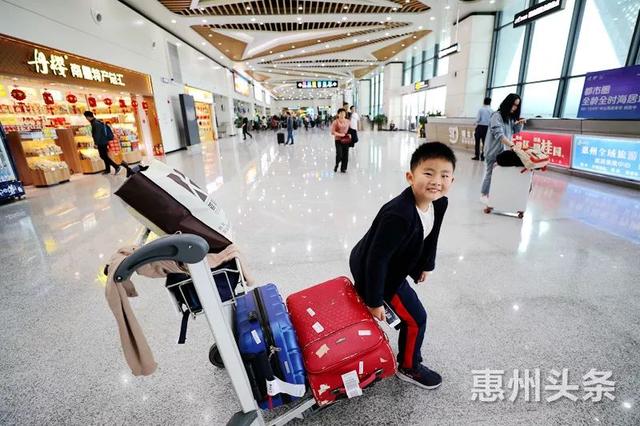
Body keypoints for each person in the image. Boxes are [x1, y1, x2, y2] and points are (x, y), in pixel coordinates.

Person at [350, 142, 455, 390]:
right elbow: (377, 259)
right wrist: (374, 300)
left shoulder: (439, 203)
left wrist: (424, 265)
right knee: (416, 319)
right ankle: (409, 367)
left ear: (452, 179)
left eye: (444, 175)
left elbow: (431, 236)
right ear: (410, 177)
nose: (436, 181)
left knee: (412, 314)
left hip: (393, 262)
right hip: (377, 272)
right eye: (428, 173)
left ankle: (409, 361)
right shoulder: (399, 214)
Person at [480, 93, 526, 204]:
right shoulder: (497, 115)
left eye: (517, 106)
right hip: (493, 151)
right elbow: (499, 135)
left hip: (504, 152)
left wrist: (520, 123)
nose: (514, 108)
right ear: (508, 103)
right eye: (513, 105)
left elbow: (514, 131)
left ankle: (493, 194)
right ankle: (484, 194)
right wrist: (512, 146)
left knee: (500, 174)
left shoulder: (509, 118)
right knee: (491, 173)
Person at [83, 111, 120, 175]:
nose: (86, 119)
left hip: (101, 142)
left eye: (86, 117)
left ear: (88, 117)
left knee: (103, 156)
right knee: (104, 156)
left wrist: (96, 143)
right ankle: (108, 169)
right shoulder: (97, 122)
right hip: (103, 141)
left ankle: (116, 167)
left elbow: (97, 134)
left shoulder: (95, 123)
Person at [331, 108, 351, 173]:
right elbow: (332, 132)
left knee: (345, 154)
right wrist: (340, 134)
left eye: (344, 113)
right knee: (339, 154)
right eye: (341, 113)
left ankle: (343, 168)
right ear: (338, 114)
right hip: (338, 140)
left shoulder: (348, 121)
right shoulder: (335, 122)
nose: (342, 115)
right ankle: (337, 164)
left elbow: (349, 130)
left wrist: (349, 134)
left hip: (345, 140)